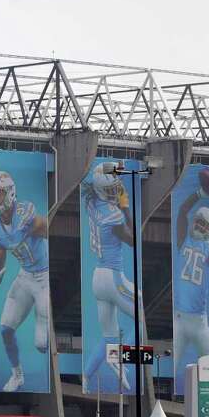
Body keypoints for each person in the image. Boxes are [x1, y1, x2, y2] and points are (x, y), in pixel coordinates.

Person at [0, 170, 50, 392]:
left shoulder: (25, 210)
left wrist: (34, 229)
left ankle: (43, 319)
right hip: (24, 276)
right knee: (5, 329)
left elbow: (44, 225)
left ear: (10, 193)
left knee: (42, 345)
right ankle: (17, 375)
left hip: (44, 278)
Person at [81, 162, 136, 393]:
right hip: (113, 276)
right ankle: (119, 358)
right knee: (140, 314)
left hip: (98, 278)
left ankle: (86, 376)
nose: (117, 191)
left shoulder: (91, 201)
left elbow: (96, 180)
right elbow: (132, 239)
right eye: (113, 188)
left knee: (108, 336)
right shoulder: (113, 214)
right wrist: (125, 208)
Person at [172, 170, 209, 373]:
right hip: (179, 318)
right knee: (169, 368)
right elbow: (182, 211)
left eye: (205, 224)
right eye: (199, 221)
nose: (201, 226)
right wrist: (200, 194)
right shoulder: (184, 239)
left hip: (200, 322)